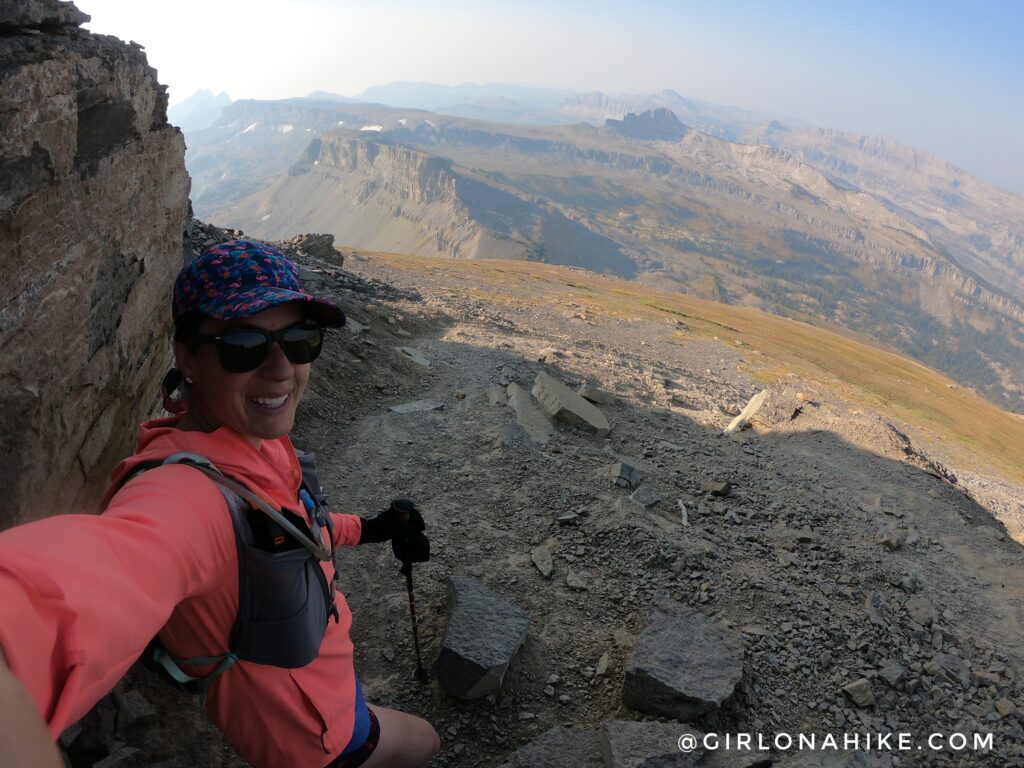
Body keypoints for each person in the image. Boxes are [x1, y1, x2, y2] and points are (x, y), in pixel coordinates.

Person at [0, 240, 441, 768]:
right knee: (426, 742)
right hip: (315, 736)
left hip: (323, 679)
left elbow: (291, 528)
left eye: (301, 338)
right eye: (242, 343)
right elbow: (73, 588)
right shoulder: (186, 498)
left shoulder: (256, 438)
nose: (281, 368)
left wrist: (370, 529)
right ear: (187, 357)